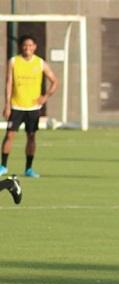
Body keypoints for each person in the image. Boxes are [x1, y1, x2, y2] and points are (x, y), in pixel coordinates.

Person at [1, 35, 58, 178]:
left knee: (31, 136)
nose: (28, 48)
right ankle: (3, 166)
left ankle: (28, 168)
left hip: (33, 108)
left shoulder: (40, 63)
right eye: (25, 45)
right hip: (16, 106)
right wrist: (7, 104)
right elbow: (8, 83)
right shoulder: (14, 61)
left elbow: (55, 81)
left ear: (35, 47)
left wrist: (45, 97)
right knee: (9, 135)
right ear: (21, 47)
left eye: (30, 45)